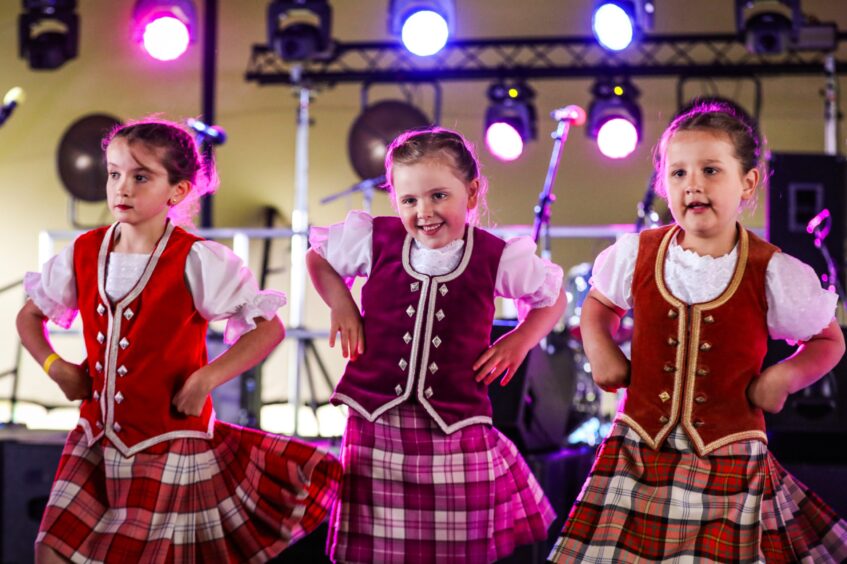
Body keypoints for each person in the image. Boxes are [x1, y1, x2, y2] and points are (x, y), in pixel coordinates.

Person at [16, 118, 341, 563]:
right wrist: (56, 367)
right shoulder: (83, 252)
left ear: (177, 191)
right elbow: (30, 316)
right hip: (94, 438)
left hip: (166, 440)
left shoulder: (197, 259)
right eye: (114, 174)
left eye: (140, 176)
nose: (122, 188)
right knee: (50, 549)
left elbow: (269, 328)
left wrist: (207, 378)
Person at [549, 98, 847, 563]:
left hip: (730, 458)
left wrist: (783, 377)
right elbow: (598, 307)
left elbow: (829, 340)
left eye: (710, 170)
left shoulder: (772, 270)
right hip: (638, 453)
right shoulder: (637, 253)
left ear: (747, 182)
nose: (693, 185)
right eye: (678, 173)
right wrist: (602, 349)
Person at [306, 126, 567, 563]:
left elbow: (551, 298)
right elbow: (318, 258)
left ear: (471, 192)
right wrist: (343, 305)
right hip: (376, 424)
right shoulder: (377, 240)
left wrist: (521, 340)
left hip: (455, 426)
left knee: (455, 549)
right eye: (409, 200)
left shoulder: (495, 256)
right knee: (376, 551)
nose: (423, 211)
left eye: (438, 196)